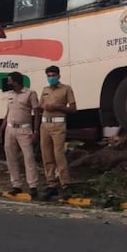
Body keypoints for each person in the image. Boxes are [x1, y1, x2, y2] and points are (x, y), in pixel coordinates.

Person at [0, 72, 41, 198]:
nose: (8, 83)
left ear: (16, 82)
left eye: (10, 81)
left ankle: (33, 186)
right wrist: (1, 130)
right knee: (10, 157)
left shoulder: (30, 94)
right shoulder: (10, 94)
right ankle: (16, 184)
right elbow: (8, 113)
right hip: (10, 129)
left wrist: (36, 131)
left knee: (29, 157)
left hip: (24, 129)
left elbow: (36, 113)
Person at [38, 65, 77, 201]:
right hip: (45, 125)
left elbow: (73, 109)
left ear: (59, 76)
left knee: (59, 155)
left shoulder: (66, 89)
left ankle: (66, 184)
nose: (51, 78)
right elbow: (40, 106)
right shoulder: (45, 90)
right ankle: (51, 184)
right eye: (48, 76)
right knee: (46, 156)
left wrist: (57, 107)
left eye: (53, 75)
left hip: (58, 125)